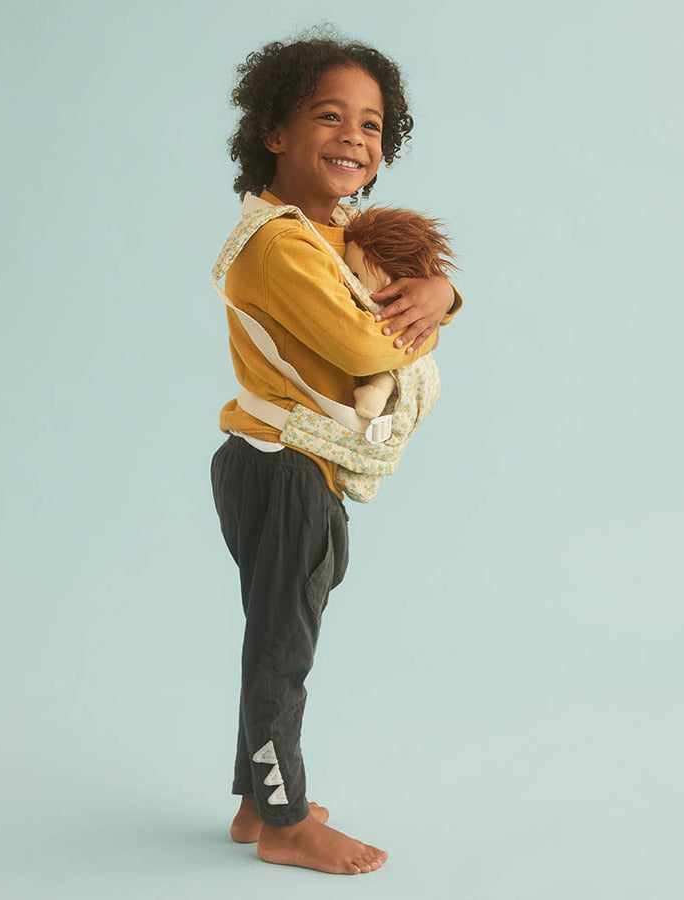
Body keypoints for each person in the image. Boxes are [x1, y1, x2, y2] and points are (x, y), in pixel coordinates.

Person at [210, 32, 461, 875]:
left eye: (372, 123)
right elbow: (365, 347)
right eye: (328, 116)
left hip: (294, 464)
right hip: (283, 467)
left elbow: (403, 292)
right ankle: (283, 822)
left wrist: (444, 289)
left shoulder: (332, 230)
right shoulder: (280, 244)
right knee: (283, 647)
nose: (355, 136)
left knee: (280, 632)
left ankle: (255, 803)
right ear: (274, 131)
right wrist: (429, 309)